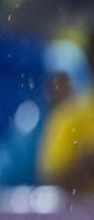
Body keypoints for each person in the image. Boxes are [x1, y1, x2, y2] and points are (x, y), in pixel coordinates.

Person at [37, 38, 94, 197]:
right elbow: (50, 182)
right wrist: (82, 170)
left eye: (62, 80)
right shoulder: (67, 117)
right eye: (53, 80)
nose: (55, 87)